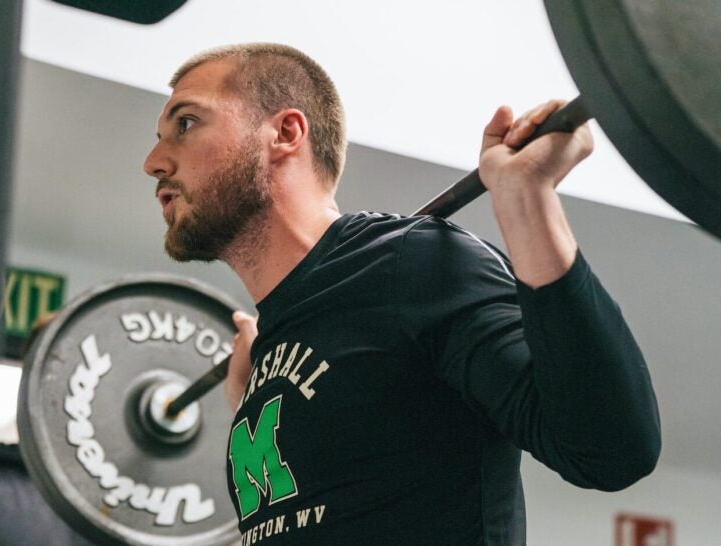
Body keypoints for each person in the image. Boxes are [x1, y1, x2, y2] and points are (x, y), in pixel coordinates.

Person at [143, 43, 660, 545]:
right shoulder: (265, 362)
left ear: (285, 133)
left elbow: (609, 450)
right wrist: (246, 400)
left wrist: (526, 198)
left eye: (185, 124)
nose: (154, 162)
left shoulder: (414, 264)